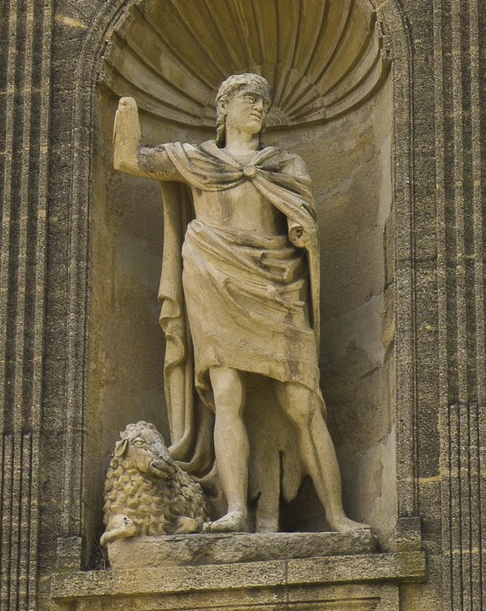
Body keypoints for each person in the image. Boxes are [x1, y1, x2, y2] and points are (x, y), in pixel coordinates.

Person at [113, 72, 361, 534]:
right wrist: (126, 111)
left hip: (277, 282)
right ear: (223, 107)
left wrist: (303, 231)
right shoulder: (196, 159)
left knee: (303, 401)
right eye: (250, 98)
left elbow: (302, 220)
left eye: (264, 102)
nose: (259, 107)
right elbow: (129, 160)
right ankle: (236, 511)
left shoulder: (284, 164)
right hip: (213, 276)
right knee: (226, 396)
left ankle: (338, 515)